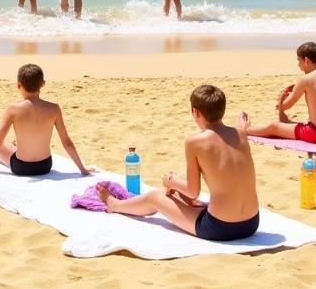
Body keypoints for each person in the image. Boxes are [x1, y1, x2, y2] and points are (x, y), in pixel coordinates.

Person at [100, 85, 260, 242]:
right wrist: (243, 125)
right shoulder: (241, 133)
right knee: (183, 197)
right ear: (223, 109)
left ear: (195, 112)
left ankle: (114, 205)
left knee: (154, 197)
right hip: (251, 223)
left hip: (219, 227)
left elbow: (193, 191)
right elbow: (240, 131)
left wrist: (171, 181)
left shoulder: (195, 141)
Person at [0, 63, 94, 179]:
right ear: (43, 83)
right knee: (14, 143)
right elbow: (67, 143)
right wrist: (83, 169)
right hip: (45, 166)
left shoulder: (13, 109)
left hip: (21, 167)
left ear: (18, 85)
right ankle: (8, 150)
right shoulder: (54, 108)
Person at [242, 42, 316, 145]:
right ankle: (285, 122)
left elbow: (285, 106)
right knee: (295, 124)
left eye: (299, 61)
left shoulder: (305, 79)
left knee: (273, 127)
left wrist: (282, 97)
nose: (298, 65)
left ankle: (246, 129)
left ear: (306, 60)